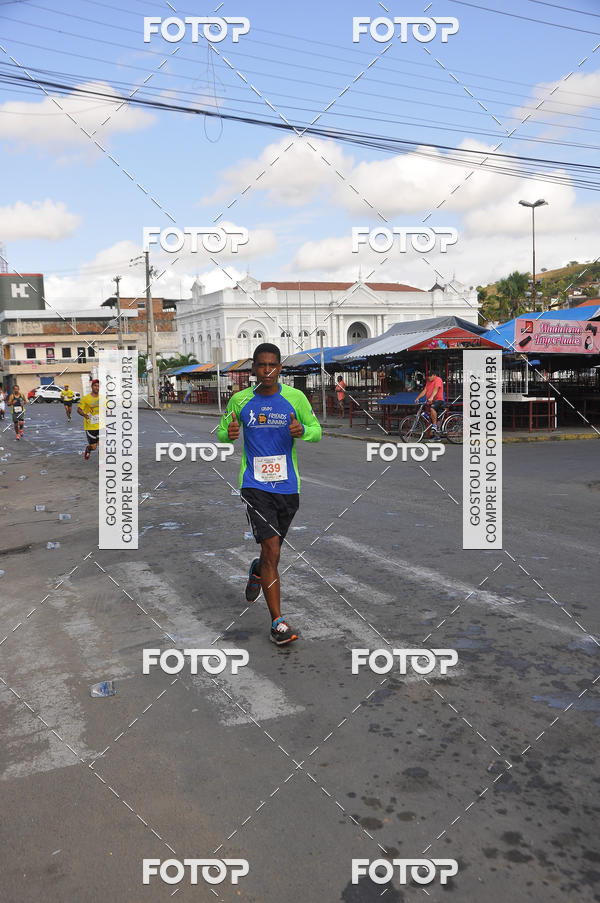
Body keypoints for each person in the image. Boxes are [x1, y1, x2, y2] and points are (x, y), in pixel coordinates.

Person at [217, 343, 322, 646]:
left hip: (288, 488)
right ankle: (278, 622)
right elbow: (224, 432)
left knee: (269, 555)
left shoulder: (295, 398)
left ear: (280, 368)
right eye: (261, 365)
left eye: (272, 365)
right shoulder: (240, 400)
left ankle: (256, 571)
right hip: (255, 485)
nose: (266, 371)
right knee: (273, 551)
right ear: (253, 369)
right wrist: (230, 434)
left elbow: (317, 430)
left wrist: (303, 430)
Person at [77, 378, 100, 460]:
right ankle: (88, 448)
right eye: (95, 385)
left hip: (101, 426)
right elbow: (79, 410)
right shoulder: (85, 398)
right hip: (90, 426)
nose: (97, 387)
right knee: (94, 447)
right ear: (92, 386)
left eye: (98, 386)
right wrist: (85, 415)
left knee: (102, 445)